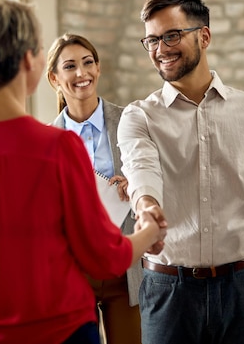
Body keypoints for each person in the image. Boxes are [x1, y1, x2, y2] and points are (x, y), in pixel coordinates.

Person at [0, 0, 166, 344]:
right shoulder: (58, 148)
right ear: (30, 60)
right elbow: (103, 257)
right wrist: (148, 232)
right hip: (62, 330)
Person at [117, 0, 244, 344]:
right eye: (151, 41)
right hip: (168, 290)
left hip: (242, 288)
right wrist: (147, 209)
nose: (161, 50)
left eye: (172, 35)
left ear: (204, 36)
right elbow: (141, 171)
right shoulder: (139, 116)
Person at [47, 33, 142, 344]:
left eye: (88, 63)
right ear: (55, 78)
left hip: (125, 270)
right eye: (70, 66)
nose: (81, 73)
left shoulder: (131, 121)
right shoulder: (46, 142)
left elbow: (161, 177)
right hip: (73, 273)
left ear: (98, 69)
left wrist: (137, 183)